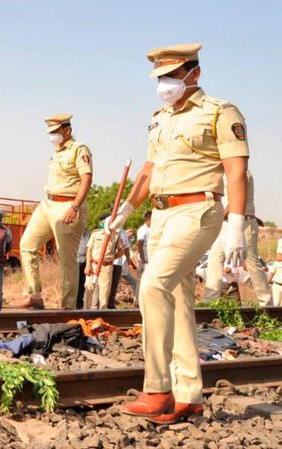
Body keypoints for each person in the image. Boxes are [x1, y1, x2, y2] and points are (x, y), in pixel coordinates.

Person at [109, 44, 249, 424]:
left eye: (172, 75)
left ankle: (157, 389)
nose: (164, 84)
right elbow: (148, 170)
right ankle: (189, 396)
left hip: (197, 210)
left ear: (194, 74)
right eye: (160, 77)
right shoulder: (160, 118)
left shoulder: (220, 112)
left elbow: (235, 169)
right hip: (161, 215)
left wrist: (236, 224)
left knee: (152, 285)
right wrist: (126, 210)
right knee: (178, 300)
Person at [16, 113, 93, 310]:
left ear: (67, 130)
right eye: (50, 132)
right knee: (27, 245)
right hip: (47, 204)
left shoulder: (79, 149)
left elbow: (86, 179)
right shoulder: (57, 152)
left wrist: (75, 207)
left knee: (67, 259)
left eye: (55, 131)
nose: (52, 136)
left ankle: (68, 306)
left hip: (68, 205)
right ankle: (34, 294)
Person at [203, 170, 271, 305]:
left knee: (252, 264)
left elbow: (237, 198)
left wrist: (219, 218)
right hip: (226, 223)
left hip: (242, 223)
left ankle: (267, 303)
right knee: (214, 260)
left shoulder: (241, 170)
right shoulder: (224, 172)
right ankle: (209, 302)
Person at [84, 213, 126, 309]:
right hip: (94, 265)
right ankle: (86, 312)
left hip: (107, 267)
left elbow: (122, 251)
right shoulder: (95, 234)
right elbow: (89, 249)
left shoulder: (115, 236)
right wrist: (88, 265)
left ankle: (101, 313)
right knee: (89, 289)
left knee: (104, 293)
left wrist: (111, 258)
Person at [110, 228, 138, 308]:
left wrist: (129, 264)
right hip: (114, 264)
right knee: (112, 285)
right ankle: (110, 302)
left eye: (132, 234)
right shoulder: (115, 234)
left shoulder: (125, 238)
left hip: (122, 267)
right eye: (130, 233)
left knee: (134, 282)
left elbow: (127, 251)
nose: (131, 235)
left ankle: (136, 300)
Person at [76, 228, 91, 309]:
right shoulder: (74, 231)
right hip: (76, 261)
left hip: (85, 262)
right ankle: (74, 303)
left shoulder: (88, 232)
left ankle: (79, 303)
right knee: (75, 284)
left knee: (82, 284)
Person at [266, 240, 282, 307]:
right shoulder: (276, 264)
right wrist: (267, 282)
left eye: (279, 255)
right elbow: (271, 274)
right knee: (276, 304)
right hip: (277, 285)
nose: (278, 256)